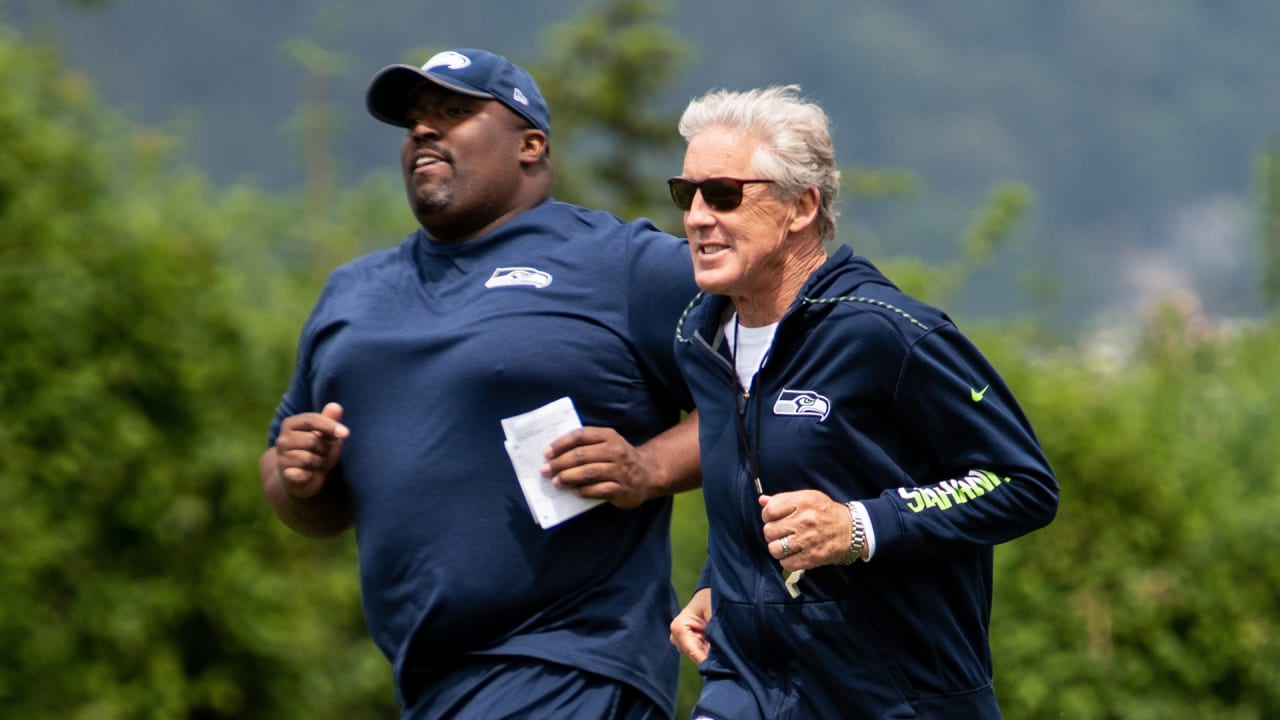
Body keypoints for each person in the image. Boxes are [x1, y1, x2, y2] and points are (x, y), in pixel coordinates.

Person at [260, 48, 702, 719]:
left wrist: (648, 466)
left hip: (570, 662)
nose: (422, 132)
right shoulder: (352, 296)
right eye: (414, 121)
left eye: (455, 112)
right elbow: (302, 498)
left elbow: (768, 396)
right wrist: (297, 474)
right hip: (430, 682)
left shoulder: (621, 264)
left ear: (530, 144)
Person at [665, 85, 1059, 719]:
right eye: (687, 194)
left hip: (893, 700)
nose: (697, 217)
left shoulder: (886, 332)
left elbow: (1022, 483)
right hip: (744, 690)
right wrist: (723, 582)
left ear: (800, 206)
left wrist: (860, 527)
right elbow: (753, 486)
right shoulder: (699, 337)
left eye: (725, 194)